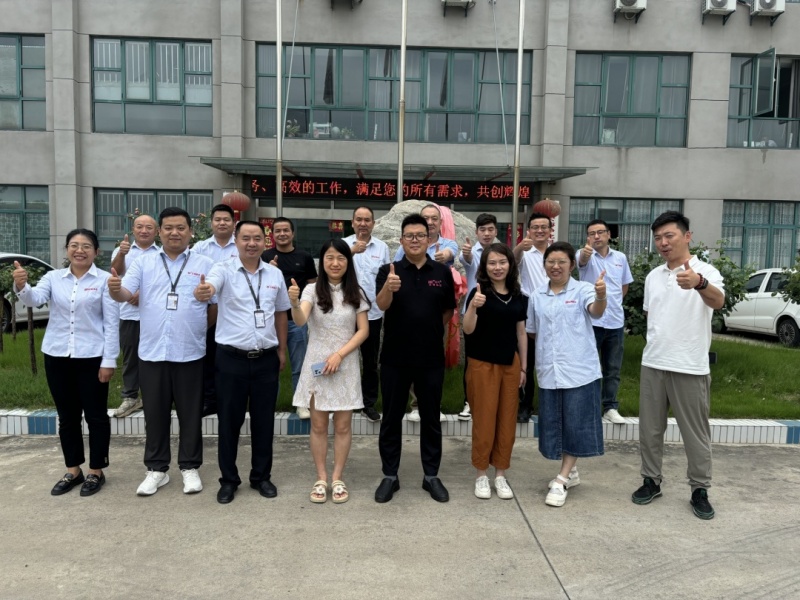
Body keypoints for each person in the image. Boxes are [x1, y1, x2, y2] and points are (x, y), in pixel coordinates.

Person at [108, 207, 216, 497]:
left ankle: (189, 467)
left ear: (191, 231)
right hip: (152, 351)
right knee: (155, 414)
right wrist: (115, 288)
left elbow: (213, 304)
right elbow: (125, 294)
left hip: (190, 351)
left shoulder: (205, 263)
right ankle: (157, 469)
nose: (174, 233)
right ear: (160, 232)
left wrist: (196, 327)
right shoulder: (144, 263)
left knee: (190, 413)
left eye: (180, 228)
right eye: (168, 228)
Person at [632, 211, 724, 521]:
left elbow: (718, 301)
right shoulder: (653, 276)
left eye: (669, 236)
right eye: (658, 238)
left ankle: (699, 488)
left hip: (690, 365)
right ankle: (651, 480)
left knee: (695, 433)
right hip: (654, 362)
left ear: (687, 236)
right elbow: (652, 315)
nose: (663, 243)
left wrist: (699, 283)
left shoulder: (706, 271)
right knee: (650, 429)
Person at [13, 229, 119, 496]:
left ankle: (96, 470)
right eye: (74, 245)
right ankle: (73, 469)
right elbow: (35, 299)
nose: (79, 250)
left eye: (86, 246)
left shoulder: (105, 280)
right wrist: (22, 285)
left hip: (92, 357)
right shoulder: (53, 278)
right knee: (67, 417)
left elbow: (111, 324)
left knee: (96, 416)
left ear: (96, 252)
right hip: (57, 355)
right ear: (67, 249)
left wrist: (109, 361)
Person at [193, 220, 289, 504]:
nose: (251, 243)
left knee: (264, 422)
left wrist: (282, 350)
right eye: (245, 238)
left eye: (257, 238)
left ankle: (261, 476)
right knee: (229, 422)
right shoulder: (223, 269)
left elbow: (281, 313)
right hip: (231, 360)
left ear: (265, 241)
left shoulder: (274, 274)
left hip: (266, 359)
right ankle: (229, 480)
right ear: (236, 241)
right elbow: (210, 287)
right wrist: (204, 291)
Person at [374, 214, 456, 503]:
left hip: (430, 357)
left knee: (431, 418)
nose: (415, 240)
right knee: (391, 418)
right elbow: (381, 305)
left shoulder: (442, 272)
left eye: (420, 235)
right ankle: (390, 476)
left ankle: (431, 475)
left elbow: (448, 310)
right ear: (401, 240)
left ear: (429, 238)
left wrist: (428, 330)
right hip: (395, 357)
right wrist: (389, 287)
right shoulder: (388, 270)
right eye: (409, 236)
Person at [526, 241, 607, 508]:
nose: (556, 266)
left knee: (575, 423)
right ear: (544, 265)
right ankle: (571, 471)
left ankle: (561, 479)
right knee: (557, 424)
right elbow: (533, 331)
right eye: (551, 262)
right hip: (549, 370)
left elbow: (596, 311)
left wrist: (601, 296)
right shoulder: (537, 296)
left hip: (579, 370)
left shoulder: (584, 290)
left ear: (572, 265)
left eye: (562, 261)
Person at [288, 239, 370, 504]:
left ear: (348, 262)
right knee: (319, 425)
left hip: (345, 365)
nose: (335, 263)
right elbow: (301, 320)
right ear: (321, 262)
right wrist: (294, 303)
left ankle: (337, 477)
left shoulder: (356, 291)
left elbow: (363, 331)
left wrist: (339, 355)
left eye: (341, 258)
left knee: (343, 426)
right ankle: (321, 478)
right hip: (317, 366)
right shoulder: (311, 290)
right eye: (330, 258)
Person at [462, 243, 527, 500]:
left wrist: (523, 367)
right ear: (484, 267)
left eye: (502, 262)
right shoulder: (479, 292)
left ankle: (500, 474)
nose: (497, 267)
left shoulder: (518, 295)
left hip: (510, 364)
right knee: (484, 420)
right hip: (482, 365)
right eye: (492, 263)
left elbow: (521, 333)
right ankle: (481, 474)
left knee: (507, 421)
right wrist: (473, 306)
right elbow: (467, 330)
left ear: (510, 264)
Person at [577, 219, 634, 424]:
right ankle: (588, 406)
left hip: (615, 322)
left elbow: (624, 286)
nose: (596, 236)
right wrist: (586, 254)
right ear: (587, 237)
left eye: (600, 232)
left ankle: (610, 407)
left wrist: (613, 303)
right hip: (592, 322)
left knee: (612, 368)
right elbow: (582, 260)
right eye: (591, 233)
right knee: (588, 366)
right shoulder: (583, 254)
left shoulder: (620, 257)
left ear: (609, 234)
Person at [261, 216, 318, 419]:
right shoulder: (265, 256)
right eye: (278, 230)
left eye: (286, 230)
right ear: (272, 234)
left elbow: (313, 285)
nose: (282, 234)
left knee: (299, 365)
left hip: (296, 320)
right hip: (270, 321)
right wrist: (269, 271)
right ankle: (269, 404)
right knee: (271, 365)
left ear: (293, 233)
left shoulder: (304, 256)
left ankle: (301, 403)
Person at [342, 206, 390, 424]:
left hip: (372, 313)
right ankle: (344, 400)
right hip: (345, 313)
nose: (363, 223)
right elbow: (331, 268)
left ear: (373, 223)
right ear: (352, 222)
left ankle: (367, 403)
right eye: (359, 219)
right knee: (344, 357)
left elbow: (384, 278)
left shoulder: (382, 247)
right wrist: (351, 252)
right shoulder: (343, 245)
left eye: (367, 220)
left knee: (370, 361)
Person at [110, 214, 160, 418]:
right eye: (139, 226)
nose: (144, 230)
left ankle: (154, 397)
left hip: (155, 316)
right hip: (129, 314)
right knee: (130, 358)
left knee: (155, 358)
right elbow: (115, 272)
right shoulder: (122, 250)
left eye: (149, 227)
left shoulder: (161, 253)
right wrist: (122, 254)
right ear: (133, 230)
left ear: (156, 231)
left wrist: (142, 294)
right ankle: (130, 396)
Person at [193, 203, 238, 417]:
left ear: (234, 223)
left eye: (226, 219)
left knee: (230, 358)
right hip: (208, 309)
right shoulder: (200, 248)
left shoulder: (241, 246)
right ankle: (209, 399)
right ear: (211, 223)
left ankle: (230, 399)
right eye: (218, 219)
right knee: (208, 355)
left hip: (235, 311)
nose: (222, 223)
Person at [457, 213, 498, 422]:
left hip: (498, 314)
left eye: (490, 229)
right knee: (472, 361)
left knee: (496, 359)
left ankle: (492, 401)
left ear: (496, 231)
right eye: (482, 230)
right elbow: (467, 260)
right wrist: (466, 254)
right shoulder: (471, 251)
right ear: (476, 232)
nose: (487, 233)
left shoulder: (502, 252)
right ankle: (469, 401)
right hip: (474, 314)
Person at [513, 212, 552, 423]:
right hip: (529, 306)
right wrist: (520, 247)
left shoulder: (556, 252)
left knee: (550, 359)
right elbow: (513, 260)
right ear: (528, 231)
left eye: (543, 227)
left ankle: (549, 405)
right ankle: (525, 405)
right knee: (526, 360)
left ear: (550, 230)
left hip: (554, 306)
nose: (539, 230)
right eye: (535, 227)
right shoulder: (525, 252)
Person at [394, 204, 459, 267]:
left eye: (434, 219)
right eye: (425, 219)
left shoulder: (449, 243)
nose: (430, 222)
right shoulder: (408, 244)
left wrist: (443, 255)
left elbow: (449, 253)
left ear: (440, 222)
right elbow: (396, 267)